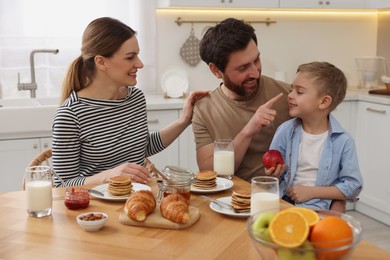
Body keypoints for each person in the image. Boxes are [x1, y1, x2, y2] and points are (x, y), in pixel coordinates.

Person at [52, 17, 207, 187]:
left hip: (137, 199)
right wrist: (109, 175)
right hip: (94, 209)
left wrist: (184, 121)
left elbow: (143, 146)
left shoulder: (135, 98)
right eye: (130, 57)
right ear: (101, 62)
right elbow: (62, 185)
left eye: (137, 55)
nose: (139, 64)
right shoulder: (70, 115)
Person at [192, 18, 291, 182]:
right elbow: (211, 174)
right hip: (229, 203)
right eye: (243, 68)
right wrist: (248, 131)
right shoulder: (204, 110)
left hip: (284, 201)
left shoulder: (289, 95)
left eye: (256, 60)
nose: (255, 73)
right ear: (216, 70)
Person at [266, 61, 363, 212]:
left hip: (320, 210)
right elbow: (273, 174)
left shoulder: (344, 141)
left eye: (299, 92)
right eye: (292, 89)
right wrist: (273, 173)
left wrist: (311, 192)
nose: (290, 95)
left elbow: (353, 187)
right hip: (284, 203)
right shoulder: (285, 131)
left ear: (324, 102)